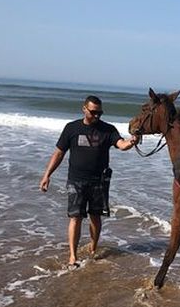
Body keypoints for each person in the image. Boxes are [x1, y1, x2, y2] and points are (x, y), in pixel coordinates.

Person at [39, 95, 140, 268]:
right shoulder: (72, 128)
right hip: (76, 180)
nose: (97, 116)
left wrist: (133, 141)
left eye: (100, 113)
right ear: (84, 109)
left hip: (99, 181)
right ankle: (73, 256)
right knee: (75, 217)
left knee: (95, 217)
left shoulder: (108, 129)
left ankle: (93, 248)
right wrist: (47, 175)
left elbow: (122, 145)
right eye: (94, 112)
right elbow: (59, 153)